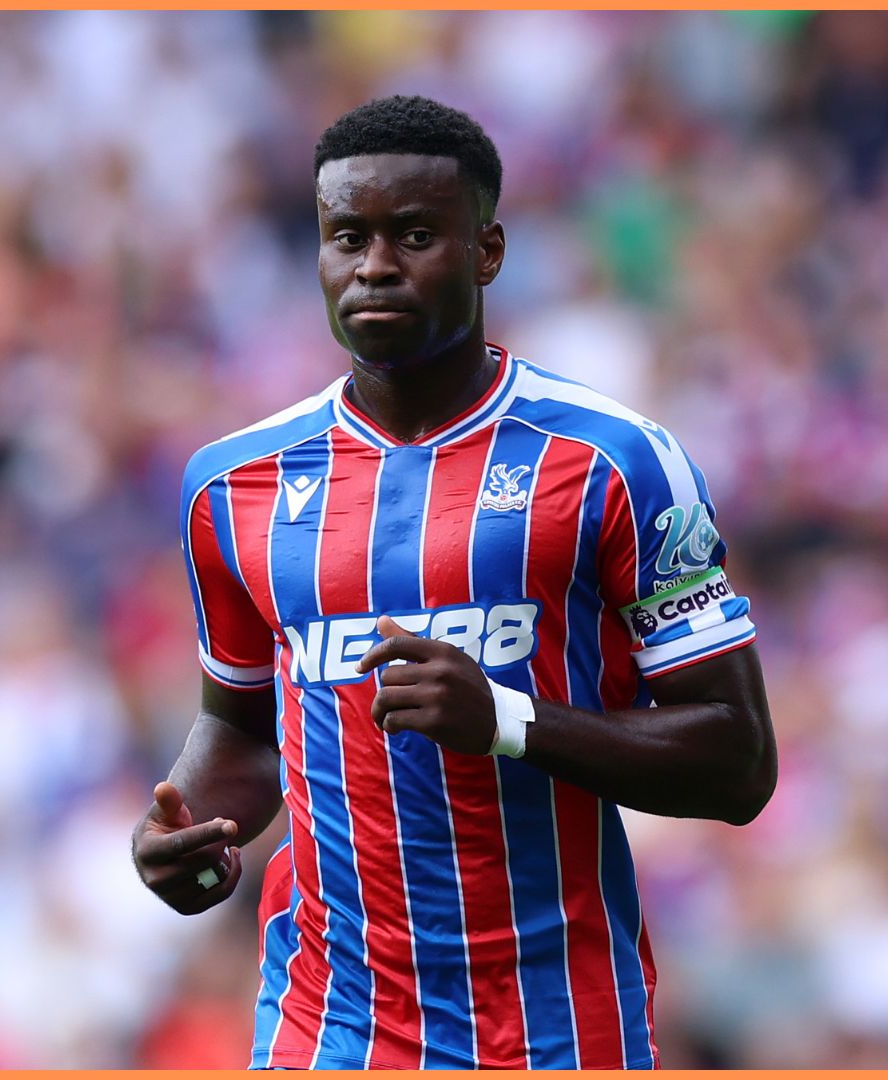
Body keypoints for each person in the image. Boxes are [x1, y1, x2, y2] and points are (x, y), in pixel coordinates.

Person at [131, 95, 777, 1070]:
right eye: (347, 236)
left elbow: (738, 763)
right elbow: (240, 726)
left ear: (488, 251)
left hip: (558, 1018)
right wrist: (189, 832)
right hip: (330, 1019)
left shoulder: (616, 462)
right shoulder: (234, 485)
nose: (376, 264)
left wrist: (510, 721)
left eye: (416, 234)